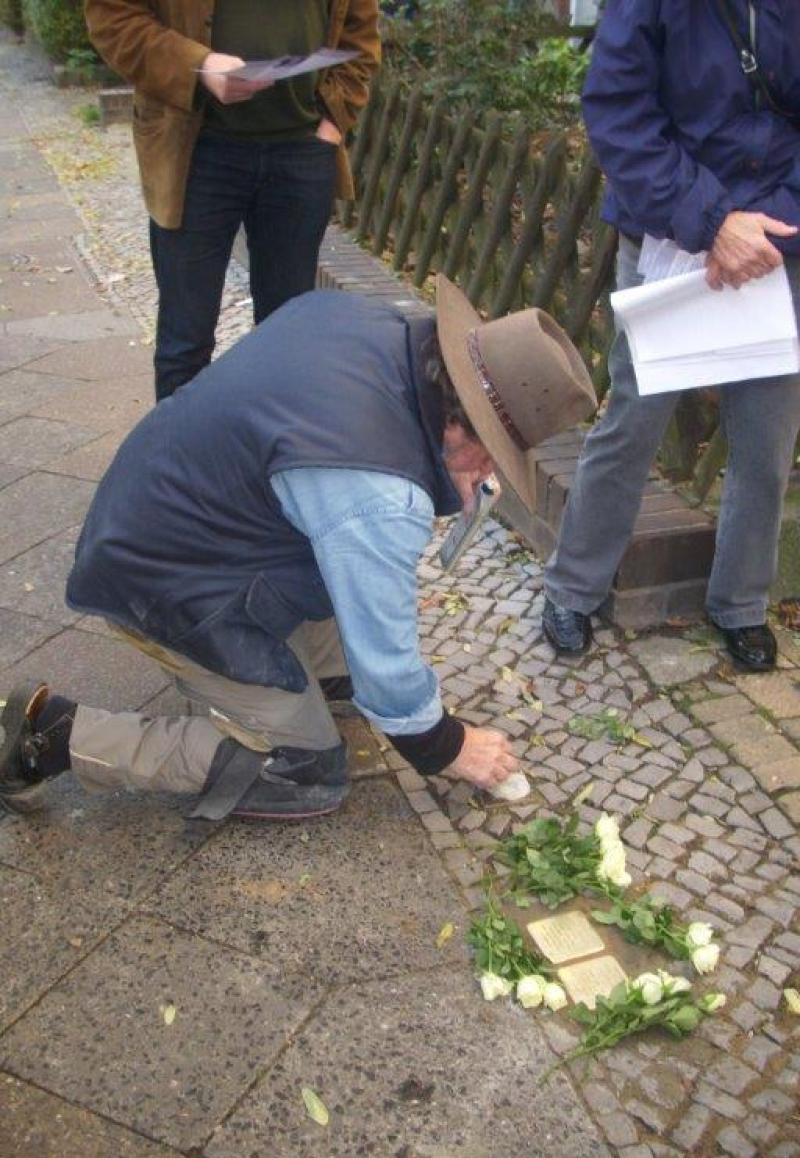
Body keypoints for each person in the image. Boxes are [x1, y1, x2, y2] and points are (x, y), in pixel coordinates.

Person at [0, 277, 595, 821]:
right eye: (494, 448)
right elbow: (388, 663)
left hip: (164, 517)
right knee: (308, 767)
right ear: (460, 423)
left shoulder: (369, 324)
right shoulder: (379, 494)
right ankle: (52, 737)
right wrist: (447, 744)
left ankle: (281, 685)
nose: (491, 468)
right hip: (158, 584)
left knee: (343, 668)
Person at [542, 0, 800, 672]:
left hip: (777, 242)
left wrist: (763, 221)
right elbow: (619, 114)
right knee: (633, 422)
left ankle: (741, 604)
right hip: (668, 232)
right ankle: (574, 587)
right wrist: (712, 221)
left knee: (766, 441)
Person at [83, 0, 381, 400]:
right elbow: (112, 19)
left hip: (300, 150)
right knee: (185, 343)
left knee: (288, 340)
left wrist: (332, 122)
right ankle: (178, 461)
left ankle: (270, 459)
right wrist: (199, 65)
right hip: (194, 152)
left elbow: (361, 34)